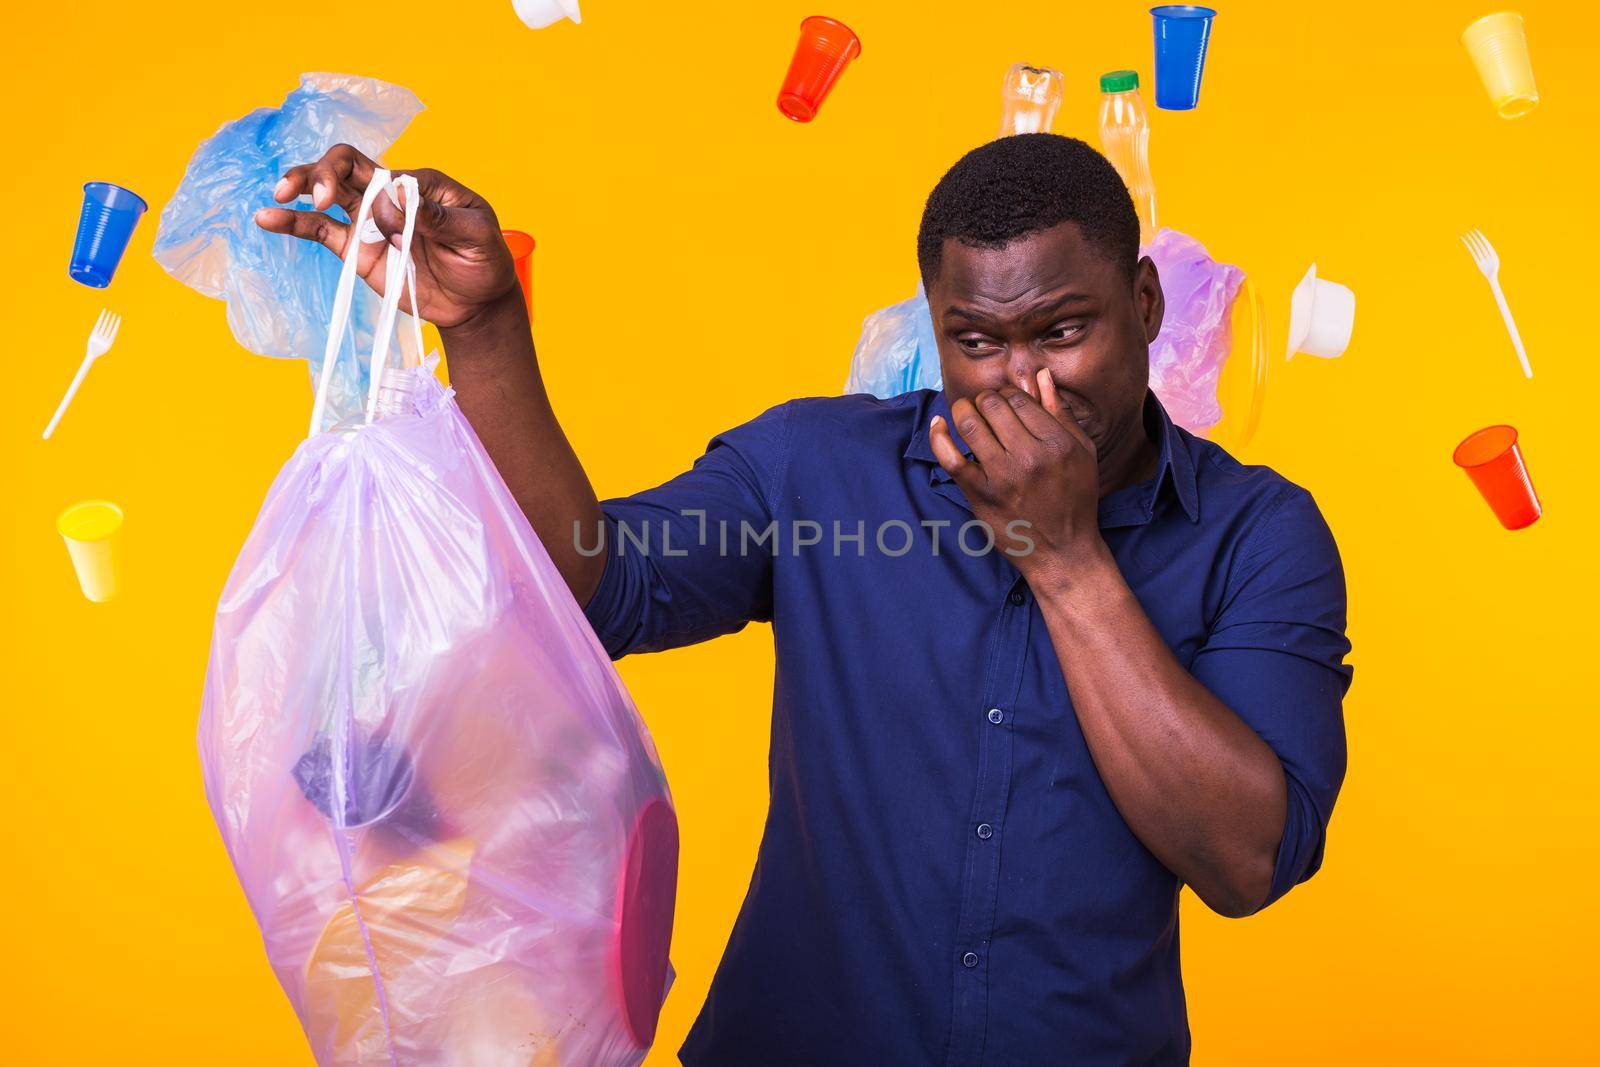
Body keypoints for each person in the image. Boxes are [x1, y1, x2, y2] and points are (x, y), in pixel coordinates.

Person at [258, 132, 1351, 1066]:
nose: (1024, 383)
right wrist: (488, 326)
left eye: (1063, 330)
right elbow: (594, 587)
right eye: (977, 341)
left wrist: (1063, 559)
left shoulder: (1258, 533)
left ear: (1144, 302)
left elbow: (1246, 858)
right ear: (937, 325)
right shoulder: (815, 471)